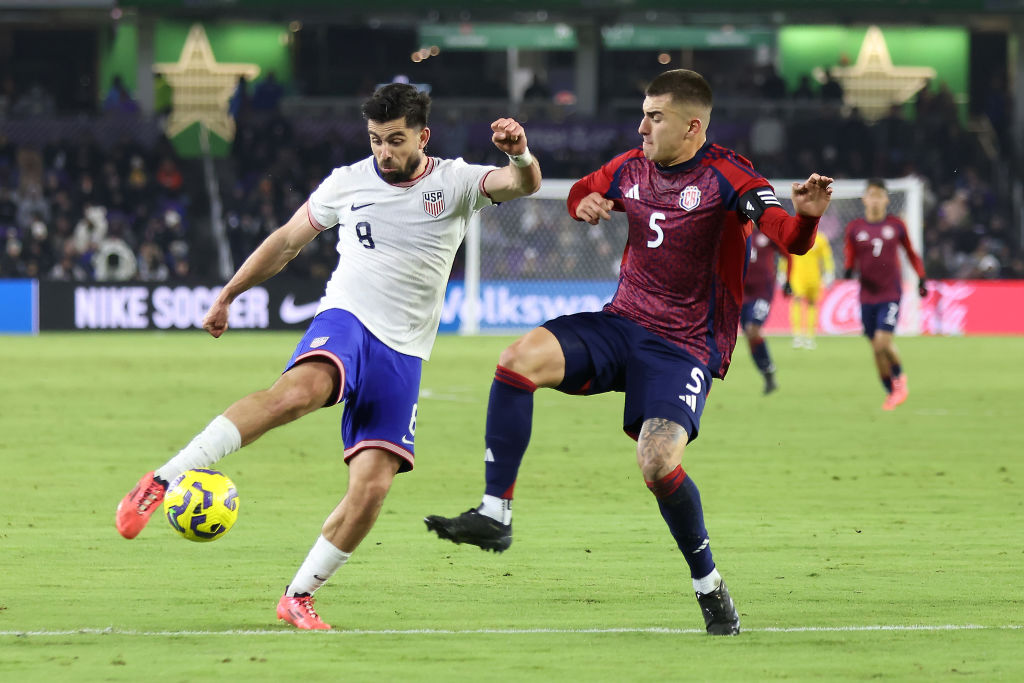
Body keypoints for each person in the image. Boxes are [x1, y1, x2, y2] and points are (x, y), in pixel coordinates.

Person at [114, 83, 542, 630]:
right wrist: (228, 294)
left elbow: (522, 183)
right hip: (348, 320)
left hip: (405, 350)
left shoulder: (455, 181)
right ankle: (164, 478)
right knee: (300, 393)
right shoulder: (347, 183)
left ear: (422, 136)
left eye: (395, 140)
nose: (384, 151)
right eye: (376, 139)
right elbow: (286, 241)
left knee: (372, 487)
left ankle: (298, 596)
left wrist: (519, 153)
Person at [424, 69, 833, 636]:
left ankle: (709, 587)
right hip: (622, 323)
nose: (641, 127)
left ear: (692, 127)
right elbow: (578, 191)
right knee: (517, 359)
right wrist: (586, 202)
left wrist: (807, 216)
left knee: (657, 460)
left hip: (684, 347)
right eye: (642, 114)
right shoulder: (630, 167)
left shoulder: (730, 175)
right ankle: (496, 512)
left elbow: (788, 237)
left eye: (654, 117)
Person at [843, 178, 926, 410]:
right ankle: (891, 391)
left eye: (880, 196)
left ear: (886, 199)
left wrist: (921, 277)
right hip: (866, 296)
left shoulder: (896, 226)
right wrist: (848, 270)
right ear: (864, 199)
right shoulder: (855, 228)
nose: (875, 200)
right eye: (872, 195)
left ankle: (900, 379)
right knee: (876, 348)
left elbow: (911, 253)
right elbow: (850, 256)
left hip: (890, 294)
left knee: (882, 343)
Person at [742, 230, 791, 393]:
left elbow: (788, 255)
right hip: (742, 293)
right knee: (749, 336)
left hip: (763, 292)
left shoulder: (768, 232)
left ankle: (768, 370)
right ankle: (767, 371)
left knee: (753, 330)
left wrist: (788, 281)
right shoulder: (739, 231)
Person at [787, 232, 834, 349]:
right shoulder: (794, 236)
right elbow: (786, 254)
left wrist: (829, 272)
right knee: (797, 300)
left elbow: (826, 257)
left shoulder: (821, 239)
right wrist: (782, 271)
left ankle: (810, 336)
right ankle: (797, 335)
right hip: (797, 276)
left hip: (814, 277)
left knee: (812, 303)